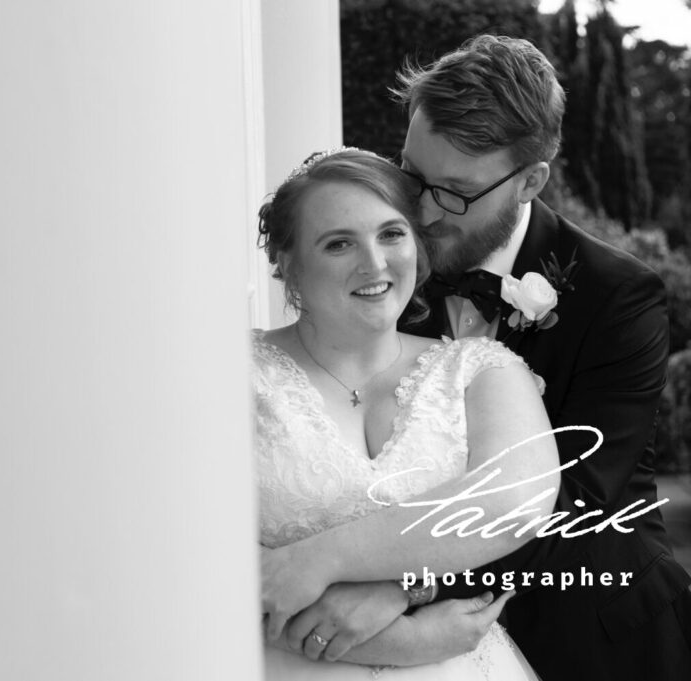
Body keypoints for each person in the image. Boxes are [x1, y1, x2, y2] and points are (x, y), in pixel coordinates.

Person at [294, 35, 691, 680]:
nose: (419, 210)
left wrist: (401, 582)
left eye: (453, 191)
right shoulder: (385, 270)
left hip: (591, 631)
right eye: (411, 175)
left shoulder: (619, 296)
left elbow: (576, 499)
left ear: (532, 179)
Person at [253, 147, 559, 679]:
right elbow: (189, 557)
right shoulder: (231, 373)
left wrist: (314, 562)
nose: (374, 264)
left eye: (391, 234)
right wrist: (405, 639)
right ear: (287, 263)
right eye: (338, 243)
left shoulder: (482, 370)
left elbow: (514, 503)